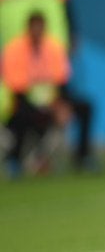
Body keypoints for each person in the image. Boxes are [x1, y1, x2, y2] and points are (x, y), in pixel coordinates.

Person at [1, 11, 72, 179]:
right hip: (21, 102)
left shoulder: (53, 47)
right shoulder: (15, 49)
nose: (38, 31)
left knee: (84, 107)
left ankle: (83, 158)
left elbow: (61, 79)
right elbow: (16, 86)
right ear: (28, 28)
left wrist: (60, 104)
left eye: (41, 28)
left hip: (50, 101)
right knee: (22, 116)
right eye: (35, 28)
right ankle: (15, 160)